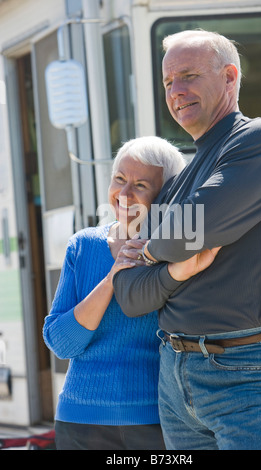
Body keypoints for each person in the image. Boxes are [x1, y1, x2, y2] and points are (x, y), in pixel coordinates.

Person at [113, 30, 261, 450]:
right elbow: (129, 294)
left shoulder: (260, 141)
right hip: (175, 377)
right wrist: (176, 269)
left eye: (189, 75)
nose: (176, 91)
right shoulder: (183, 178)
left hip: (246, 373)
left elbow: (190, 231)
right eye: (167, 82)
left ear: (230, 77)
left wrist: (149, 249)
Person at [43, 136, 187, 450]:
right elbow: (61, 342)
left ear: (166, 194)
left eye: (140, 185)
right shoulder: (83, 246)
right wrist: (112, 277)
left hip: (156, 421)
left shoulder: (179, 251)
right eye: (119, 179)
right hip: (80, 422)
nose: (123, 194)